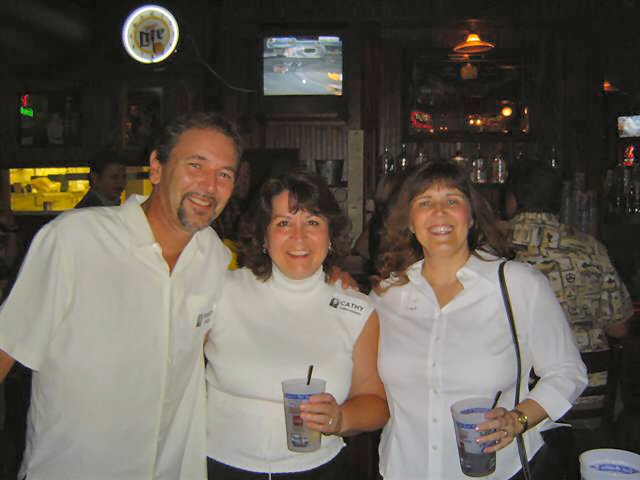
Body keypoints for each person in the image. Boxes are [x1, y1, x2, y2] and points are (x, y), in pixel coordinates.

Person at [0, 111, 242, 480]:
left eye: (224, 174)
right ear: (156, 168)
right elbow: (6, 347)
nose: (209, 185)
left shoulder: (214, 257)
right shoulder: (74, 239)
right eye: (196, 165)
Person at [370, 160, 587, 480]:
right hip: (402, 469)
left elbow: (568, 372)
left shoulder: (517, 284)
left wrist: (518, 419)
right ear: (410, 223)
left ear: (471, 217)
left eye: (452, 200)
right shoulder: (386, 295)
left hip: (499, 471)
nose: (439, 212)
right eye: (425, 202)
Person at [204, 171, 389, 479]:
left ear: (330, 236)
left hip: (318, 470)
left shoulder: (357, 309)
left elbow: (376, 403)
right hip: (217, 466)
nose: (299, 236)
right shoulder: (222, 290)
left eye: (312, 222)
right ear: (264, 236)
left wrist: (340, 418)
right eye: (283, 223)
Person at [505, 163, 633, 448]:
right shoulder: (591, 248)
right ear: (559, 201)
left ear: (511, 200)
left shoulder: (493, 251)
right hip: (591, 396)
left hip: (519, 401)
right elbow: (619, 328)